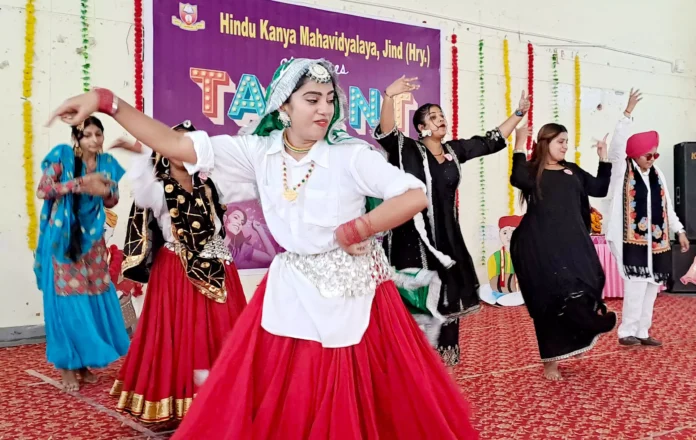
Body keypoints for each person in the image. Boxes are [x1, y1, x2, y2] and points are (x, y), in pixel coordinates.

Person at [48, 58, 479, 439]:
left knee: (358, 400)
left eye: (329, 98)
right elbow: (178, 145)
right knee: (286, 395)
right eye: (311, 98)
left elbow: (413, 194)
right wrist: (108, 101)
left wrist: (358, 228)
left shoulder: (350, 156)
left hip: (354, 293)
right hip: (291, 287)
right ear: (284, 106)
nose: (324, 108)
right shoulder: (259, 152)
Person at [372, 75, 530, 369]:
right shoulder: (408, 150)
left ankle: (442, 360)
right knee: (416, 299)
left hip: (447, 237)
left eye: (441, 116)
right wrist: (389, 97)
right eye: (433, 117)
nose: (440, 120)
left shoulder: (454, 151)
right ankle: (406, 362)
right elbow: (386, 133)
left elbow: (490, 141)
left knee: (447, 298)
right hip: (412, 239)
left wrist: (518, 114)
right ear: (421, 128)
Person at [107, 120, 247, 423]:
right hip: (178, 272)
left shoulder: (210, 185)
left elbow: (245, 184)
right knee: (181, 334)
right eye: (176, 145)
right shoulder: (159, 188)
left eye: (192, 145)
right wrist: (141, 154)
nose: (185, 152)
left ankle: (221, 398)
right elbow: (142, 193)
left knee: (222, 336)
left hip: (219, 270)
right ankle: (180, 402)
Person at [509, 122, 617, 381]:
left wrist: (604, 159)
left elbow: (599, 188)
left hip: (572, 243)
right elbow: (518, 178)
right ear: (545, 142)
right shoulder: (533, 172)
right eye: (560, 141)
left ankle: (583, 328)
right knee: (548, 301)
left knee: (590, 281)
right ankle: (551, 363)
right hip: (538, 246)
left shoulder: (573, 171)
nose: (565, 146)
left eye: (567, 141)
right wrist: (519, 144)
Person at [34, 116, 129, 391]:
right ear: (77, 138)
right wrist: (81, 182)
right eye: (87, 134)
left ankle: (83, 362)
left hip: (93, 239)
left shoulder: (107, 163)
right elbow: (44, 190)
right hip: (64, 239)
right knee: (67, 298)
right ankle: (66, 365)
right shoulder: (61, 157)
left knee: (91, 296)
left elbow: (112, 200)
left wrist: (106, 188)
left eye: (98, 134)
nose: (94, 140)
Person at [605, 89, 690, 347]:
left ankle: (642, 331)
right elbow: (617, 146)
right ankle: (626, 332)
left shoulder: (658, 175)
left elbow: (666, 208)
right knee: (636, 284)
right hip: (629, 240)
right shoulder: (623, 169)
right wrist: (627, 113)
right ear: (635, 155)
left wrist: (680, 230)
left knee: (652, 286)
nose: (652, 159)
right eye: (648, 155)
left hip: (657, 242)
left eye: (655, 155)